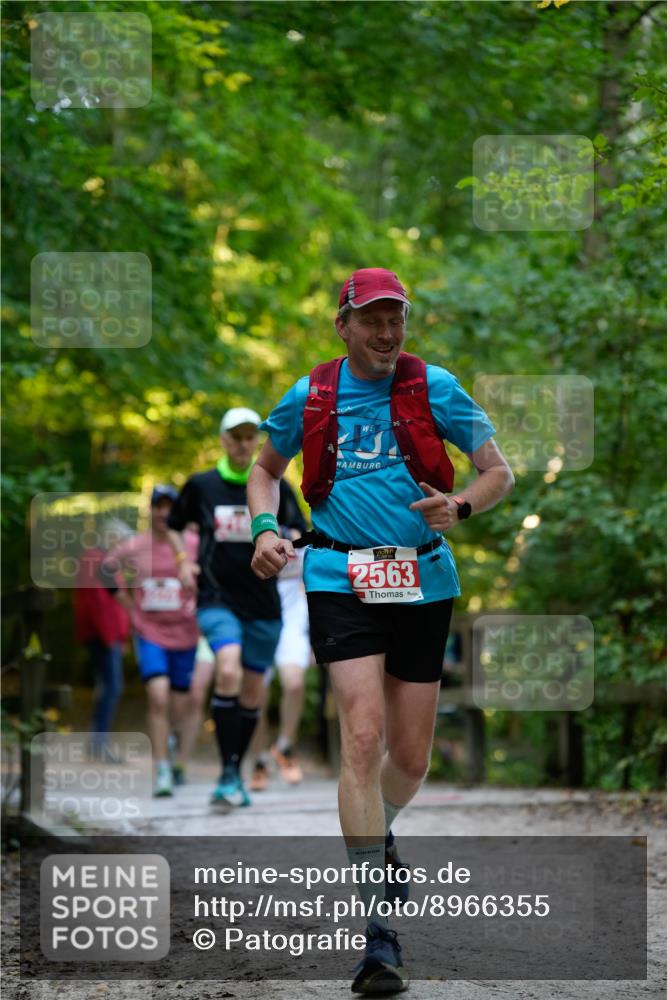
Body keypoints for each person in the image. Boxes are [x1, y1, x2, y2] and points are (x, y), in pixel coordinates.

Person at [248, 268, 514, 994]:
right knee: (360, 738)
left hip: (423, 577)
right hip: (340, 577)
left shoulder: (434, 387)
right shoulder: (311, 395)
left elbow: (498, 473)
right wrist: (266, 528)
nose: (387, 332)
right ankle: (377, 934)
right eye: (372, 319)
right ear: (343, 323)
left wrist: (459, 506)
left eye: (396, 318)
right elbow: (266, 471)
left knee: (411, 756)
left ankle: (380, 827)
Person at [166, 407, 307, 808]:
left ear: (256, 442)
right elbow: (174, 524)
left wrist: (286, 538)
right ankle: (228, 774)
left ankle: (234, 770)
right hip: (216, 597)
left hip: (265, 601)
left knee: (251, 692)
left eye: (250, 437)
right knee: (226, 666)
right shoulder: (202, 485)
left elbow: (299, 529)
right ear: (224, 440)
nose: (244, 444)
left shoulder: (276, 485)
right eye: (236, 436)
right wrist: (183, 560)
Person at [101, 486, 200, 797]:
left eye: (169, 507)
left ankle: (168, 740)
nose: (163, 513)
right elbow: (105, 570)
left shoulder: (193, 543)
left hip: (186, 633)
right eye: (158, 506)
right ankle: (161, 770)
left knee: (180, 706)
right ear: (150, 511)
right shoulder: (135, 545)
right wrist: (128, 605)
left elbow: (214, 573)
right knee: (157, 696)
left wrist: (202, 598)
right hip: (150, 633)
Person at [249, 545, 313, 790]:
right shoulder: (248, 535)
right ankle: (259, 760)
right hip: (260, 622)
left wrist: (316, 635)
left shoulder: (304, 543)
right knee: (256, 694)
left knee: (294, 684)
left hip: (293, 626)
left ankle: (285, 747)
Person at [74, 521, 131, 763]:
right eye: (122, 542)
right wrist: (111, 637)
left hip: (108, 635)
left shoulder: (105, 560)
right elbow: (98, 603)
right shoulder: (95, 559)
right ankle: (98, 744)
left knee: (107, 687)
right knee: (112, 687)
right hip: (101, 635)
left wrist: (121, 636)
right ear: (111, 538)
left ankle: (97, 743)